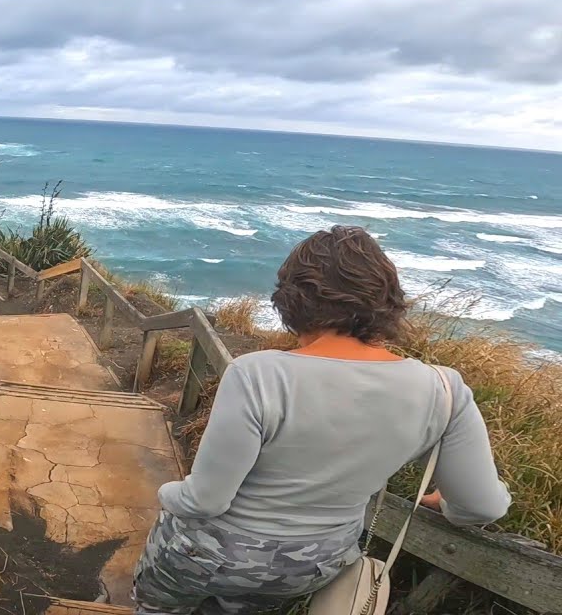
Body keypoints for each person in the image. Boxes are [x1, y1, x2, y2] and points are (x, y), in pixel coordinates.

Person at [131, 225, 511, 615]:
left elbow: (206, 499)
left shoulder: (258, 374)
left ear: (292, 301)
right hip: (311, 565)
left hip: (207, 555)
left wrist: (166, 495)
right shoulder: (443, 390)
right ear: (388, 302)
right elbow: (481, 506)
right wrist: (441, 502)